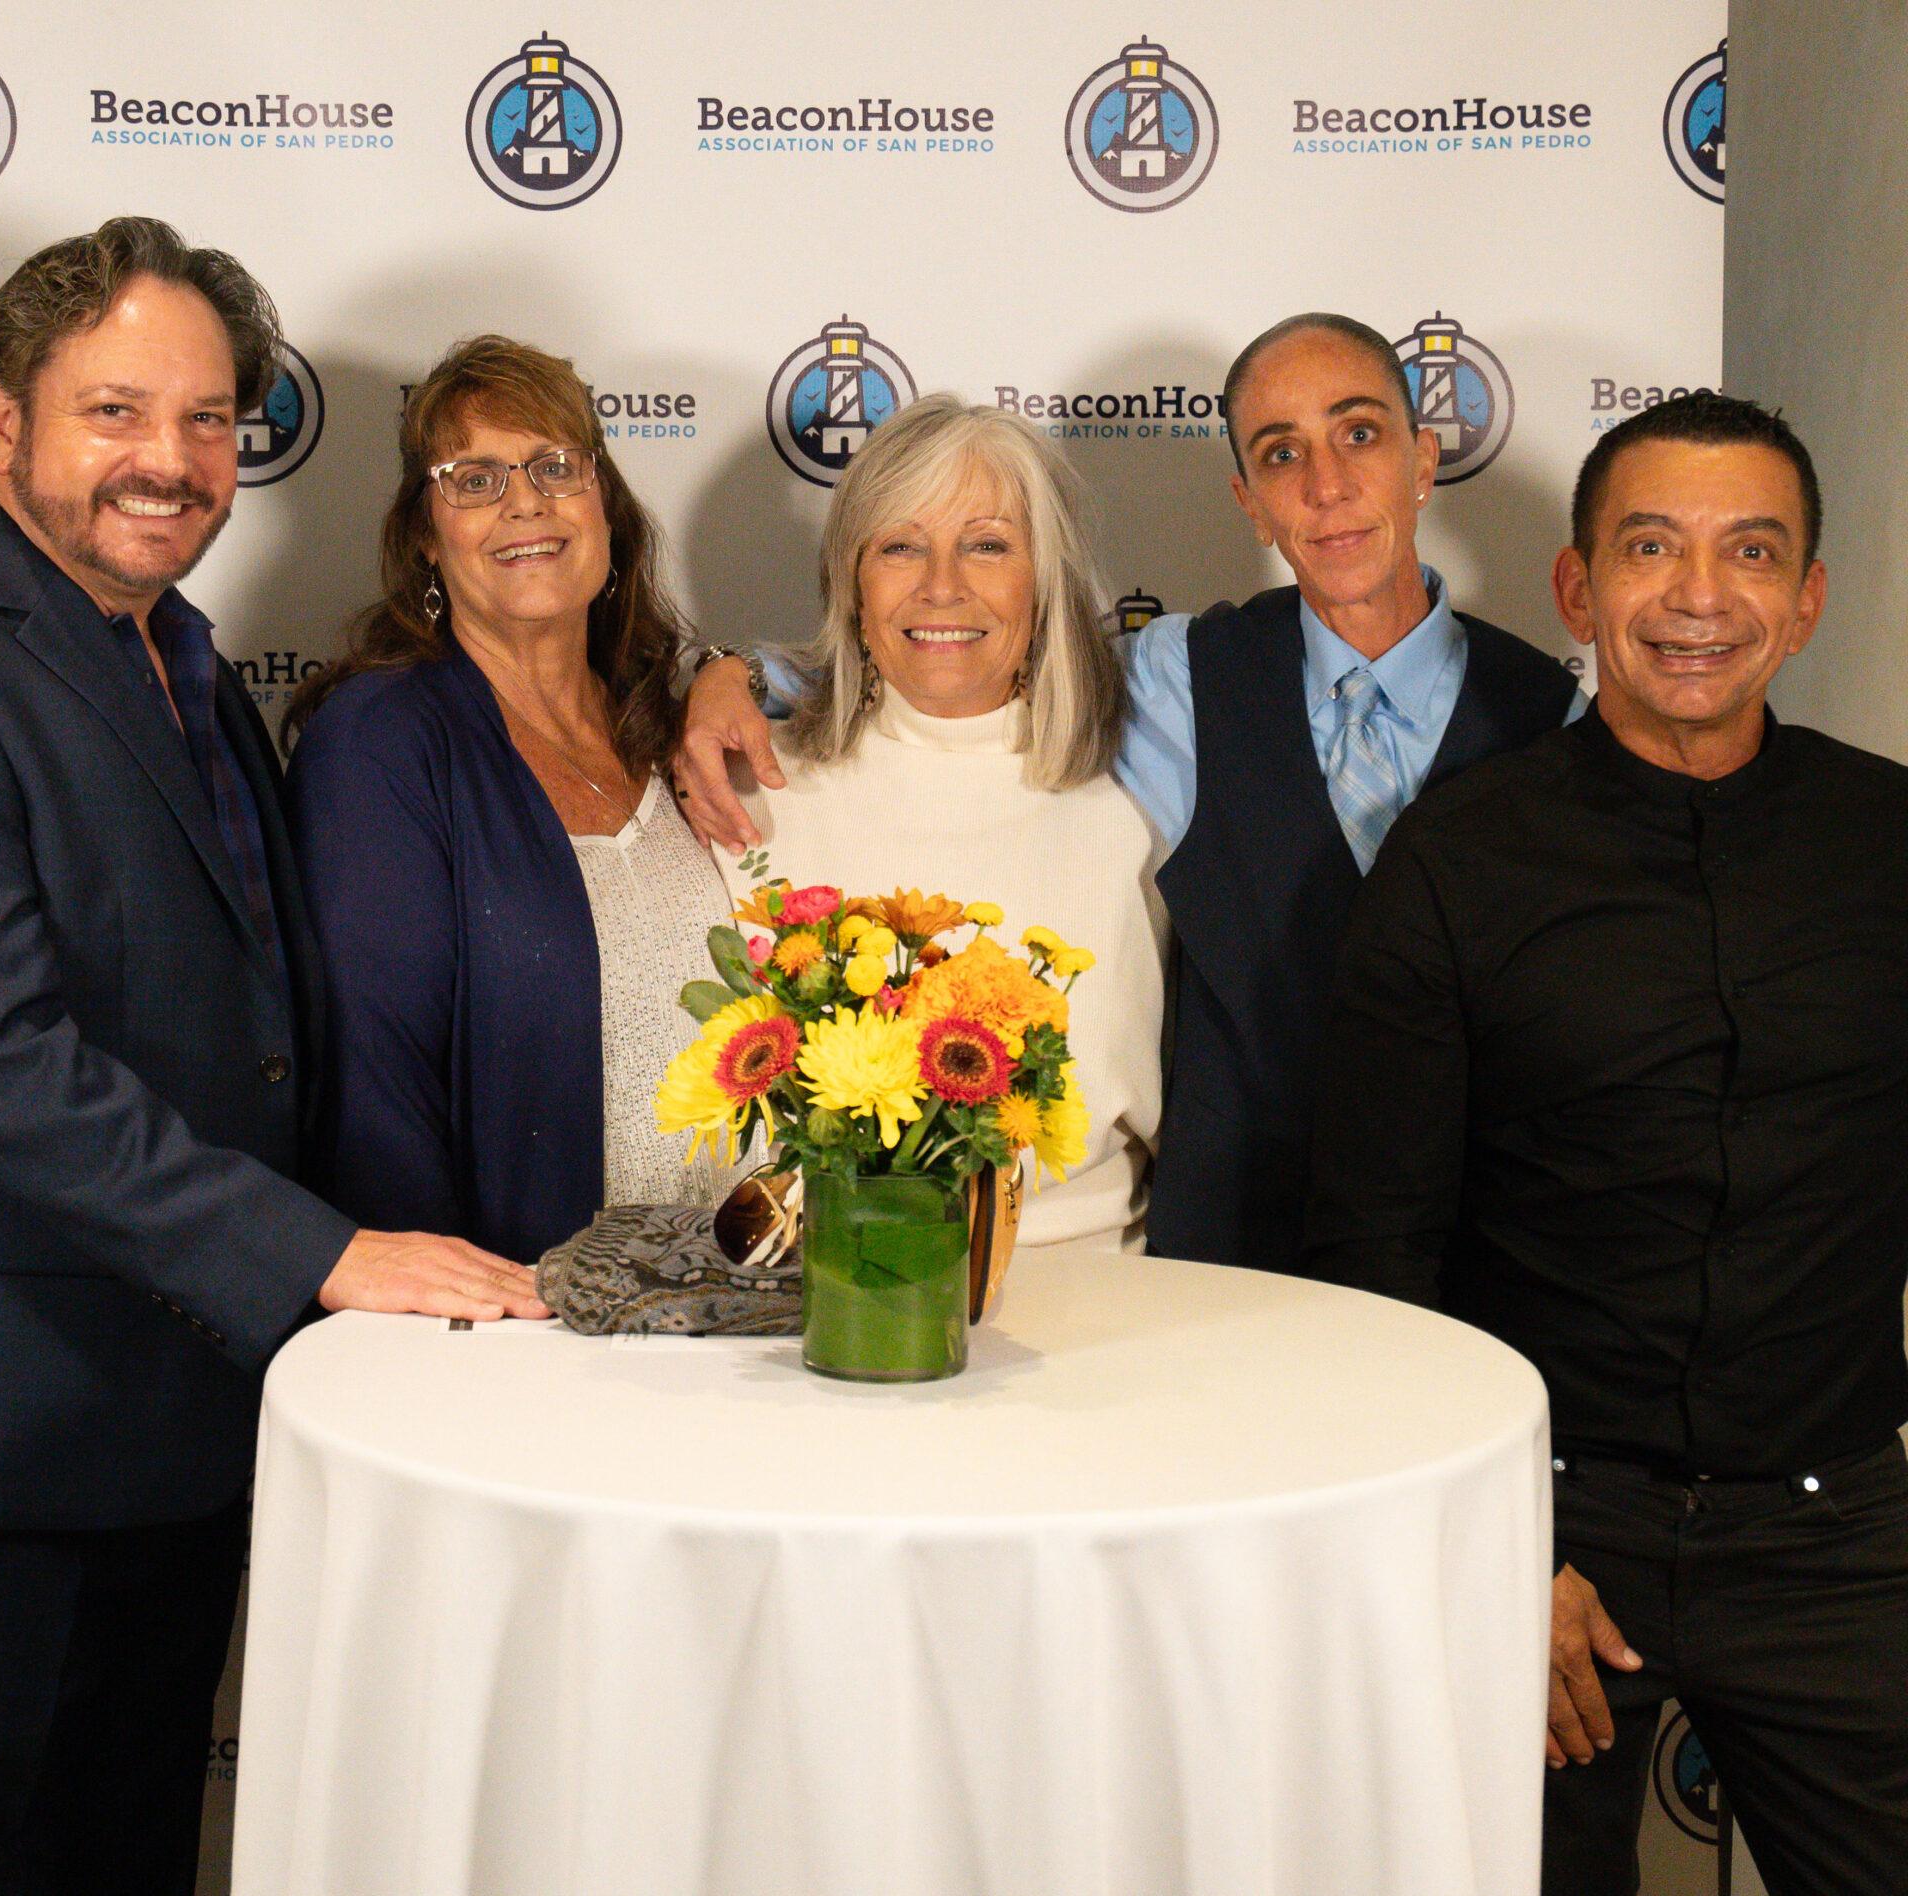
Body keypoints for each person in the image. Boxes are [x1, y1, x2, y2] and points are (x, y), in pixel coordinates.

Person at [0, 220, 546, 1896]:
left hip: (172, 1441)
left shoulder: (185, 659)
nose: (171, 460)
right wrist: (323, 1253)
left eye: (207, 420)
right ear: (1, 422)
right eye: (115, 410)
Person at [1306, 391, 1908, 1893]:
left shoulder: (1890, 838)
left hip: (1839, 1535)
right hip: (1544, 1525)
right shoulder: (1455, 860)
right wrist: (1490, 1546)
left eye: (1750, 552)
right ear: (1578, 589)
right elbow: (1372, 1248)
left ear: (1806, 601)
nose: (1700, 596)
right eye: (1651, 548)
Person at [677, 313, 1580, 1271]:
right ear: (1249, 501)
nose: (1327, 485)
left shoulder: (1548, 716)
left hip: (1484, 1241)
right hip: (1229, 1252)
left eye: (1360, 434)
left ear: (1425, 459)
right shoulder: (1179, 679)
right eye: (1283, 454)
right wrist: (728, 673)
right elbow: (935, 672)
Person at [283, 336, 734, 1261]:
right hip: (531, 1310)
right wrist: (460, 1321)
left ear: (604, 504)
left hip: (735, 1289)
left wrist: (738, 672)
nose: (525, 502)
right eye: (475, 480)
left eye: (555, 467)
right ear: (425, 535)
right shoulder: (378, 744)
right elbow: (376, 1096)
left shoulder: (667, 721)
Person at [708, 395, 1162, 1246]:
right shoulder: (744, 790)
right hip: (814, 1286)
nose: (942, 586)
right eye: (900, 547)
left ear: (1045, 582)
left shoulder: (1143, 803)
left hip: (1095, 1286)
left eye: (987, 545)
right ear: (851, 583)